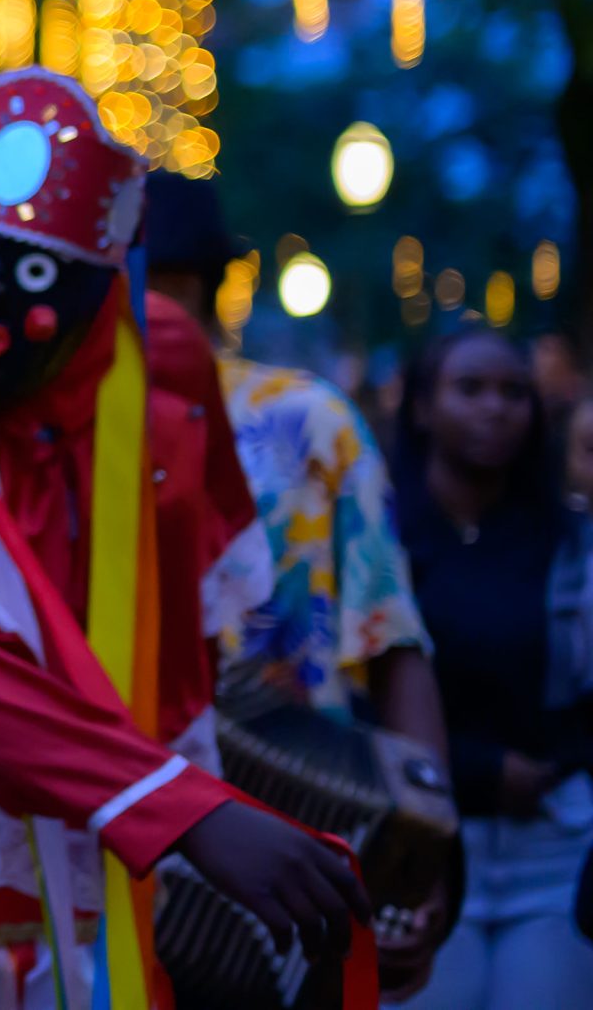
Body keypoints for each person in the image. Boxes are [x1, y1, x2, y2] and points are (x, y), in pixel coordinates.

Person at [0, 68, 372, 1006]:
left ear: (106, 285)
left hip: (114, 877)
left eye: (33, 271)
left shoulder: (162, 358)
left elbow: (182, 639)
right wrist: (182, 809)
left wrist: (205, 812)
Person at [145, 172, 452, 989]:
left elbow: (387, 636)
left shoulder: (304, 419)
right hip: (116, 840)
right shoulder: (46, 431)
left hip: (295, 840)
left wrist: (424, 847)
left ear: (179, 281)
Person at [395, 326, 593, 1010]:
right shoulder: (379, 537)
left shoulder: (570, 543)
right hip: (417, 849)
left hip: (552, 846)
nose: (495, 408)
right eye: (471, 388)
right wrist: (479, 768)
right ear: (424, 406)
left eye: (514, 392)